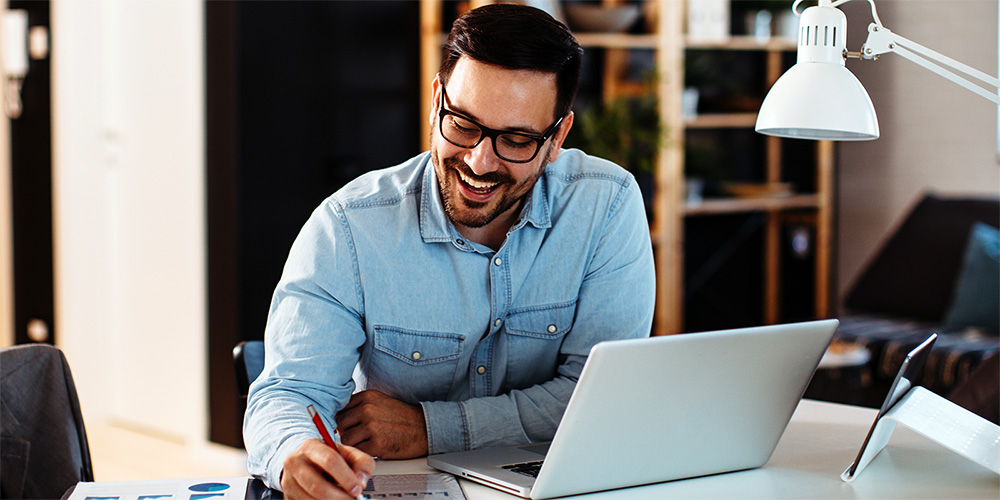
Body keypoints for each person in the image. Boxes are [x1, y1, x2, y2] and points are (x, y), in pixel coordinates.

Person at [243, 4, 656, 498]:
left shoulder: (605, 204)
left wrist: (430, 427)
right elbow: (289, 394)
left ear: (557, 137)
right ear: (437, 98)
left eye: (517, 139)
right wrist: (295, 455)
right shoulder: (349, 227)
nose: (480, 162)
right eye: (462, 124)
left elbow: (596, 398)